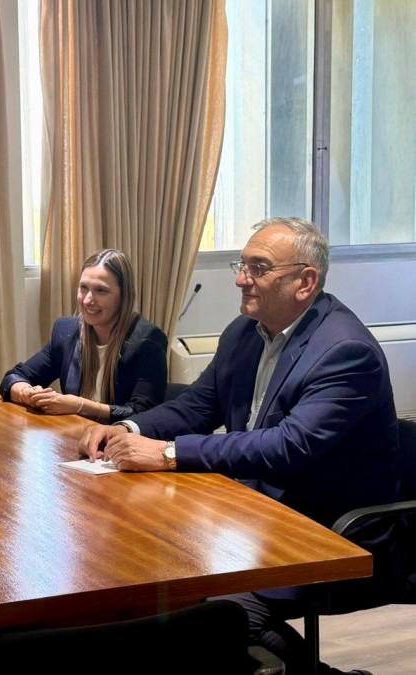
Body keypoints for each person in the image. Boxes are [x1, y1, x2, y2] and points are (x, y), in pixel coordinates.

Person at [79, 218, 399, 675]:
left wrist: (169, 454)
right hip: (250, 512)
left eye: (258, 267)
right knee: (138, 563)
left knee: (197, 611)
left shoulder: (345, 351)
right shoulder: (244, 332)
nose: (240, 278)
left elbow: (290, 447)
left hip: (323, 530)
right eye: (242, 263)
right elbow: (197, 406)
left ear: (305, 281)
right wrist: (127, 428)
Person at [0, 248, 167, 423]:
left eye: (101, 291)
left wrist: (80, 405)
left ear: (124, 297)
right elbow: (14, 377)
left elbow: (143, 413)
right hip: (75, 436)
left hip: (121, 443)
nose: (87, 300)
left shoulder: (148, 341)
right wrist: (27, 393)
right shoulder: (66, 331)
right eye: (83, 288)